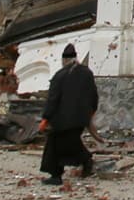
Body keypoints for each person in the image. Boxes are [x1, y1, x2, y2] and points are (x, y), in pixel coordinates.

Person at [37, 43, 97, 184]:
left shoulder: (60, 76)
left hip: (62, 120)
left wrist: (46, 118)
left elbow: (53, 99)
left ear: (64, 60)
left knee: (55, 146)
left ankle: (57, 175)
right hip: (81, 119)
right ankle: (85, 162)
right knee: (72, 142)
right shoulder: (87, 73)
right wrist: (90, 113)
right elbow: (94, 95)